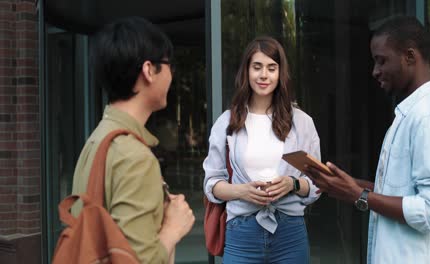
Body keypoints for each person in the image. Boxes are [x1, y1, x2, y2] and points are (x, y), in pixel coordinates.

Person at [304, 16, 430, 263]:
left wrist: (359, 196)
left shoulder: (429, 118)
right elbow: (403, 192)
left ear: (410, 57)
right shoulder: (412, 113)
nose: (375, 71)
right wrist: (349, 185)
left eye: (382, 61)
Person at [71, 17, 195, 264]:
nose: (171, 75)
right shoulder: (134, 156)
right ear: (149, 70)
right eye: (169, 65)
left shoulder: (99, 137)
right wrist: (173, 228)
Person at [203, 36, 321, 263]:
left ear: (280, 73)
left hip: (290, 233)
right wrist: (242, 191)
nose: (264, 75)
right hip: (241, 232)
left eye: (271, 68)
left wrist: (292, 184)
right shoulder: (227, 122)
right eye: (257, 67)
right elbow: (211, 184)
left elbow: (317, 183)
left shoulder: (302, 122)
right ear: (246, 71)